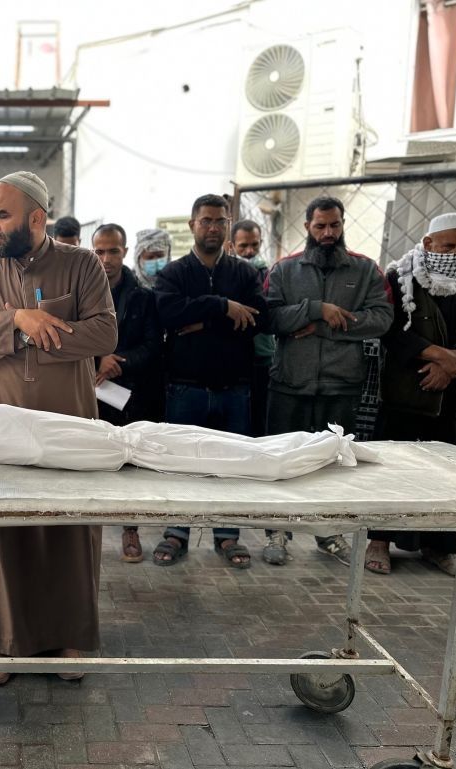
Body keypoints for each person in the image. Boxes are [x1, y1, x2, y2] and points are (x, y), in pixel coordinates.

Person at [0, 171, 117, 684]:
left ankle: (68, 639)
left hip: (69, 422)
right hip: (3, 426)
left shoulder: (81, 264)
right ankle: (2, 643)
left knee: (69, 530)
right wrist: (18, 322)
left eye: (2, 214)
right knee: (5, 532)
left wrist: (46, 330)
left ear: (37, 218)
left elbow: (104, 333)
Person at [264, 197, 394, 566]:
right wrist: (315, 309)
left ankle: (329, 534)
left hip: (341, 385)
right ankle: (276, 533)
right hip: (289, 383)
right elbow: (270, 318)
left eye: (334, 225)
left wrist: (325, 327)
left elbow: (382, 319)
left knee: (334, 467)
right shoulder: (284, 269)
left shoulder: (366, 269)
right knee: (280, 465)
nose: (327, 233)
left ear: (342, 225)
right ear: (307, 226)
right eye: (320, 226)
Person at [371, 212, 456, 576]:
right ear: (428, 243)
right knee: (393, 472)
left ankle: (439, 546)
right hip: (407, 393)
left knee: (448, 476)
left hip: (454, 394)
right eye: (448, 246)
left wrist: (450, 368)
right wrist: (438, 356)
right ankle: (378, 541)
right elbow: (391, 330)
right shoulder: (400, 277)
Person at [152, 194, 269, 569]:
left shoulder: (245, 274)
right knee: (181, 466)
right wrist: (223, 307)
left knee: (231, 467)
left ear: (228, 225)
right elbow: (168, 314)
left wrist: (201, 321)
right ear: (192, 225)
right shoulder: (173, 273)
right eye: (206, 221)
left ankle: (227, 536)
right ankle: (176, 533)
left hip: (234, 388)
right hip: (185, 388)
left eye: (220, 221)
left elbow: (260, 319)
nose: (213, 228)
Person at [92, 222, 163, 563]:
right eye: (99, 252)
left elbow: (153, 346)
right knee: (90, 462)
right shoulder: (80, 294)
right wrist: (97, 360)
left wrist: (116, 363)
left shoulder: (143, 296)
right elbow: (68, 338)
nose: (106, 259)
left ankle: (130, 529)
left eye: (113, 251)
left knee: (130, 464)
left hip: (131, 393)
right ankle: (85, 534)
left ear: (124, 252)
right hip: (91, 390)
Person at [231, 220, 274, 437]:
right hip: (235, 357)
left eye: (254, 245)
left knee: (259, 417)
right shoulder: (227, 275)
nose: (249, 251)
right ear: (232, 246)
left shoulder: (269, 274)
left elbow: (266, 315)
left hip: (263, 355)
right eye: (243, 246)